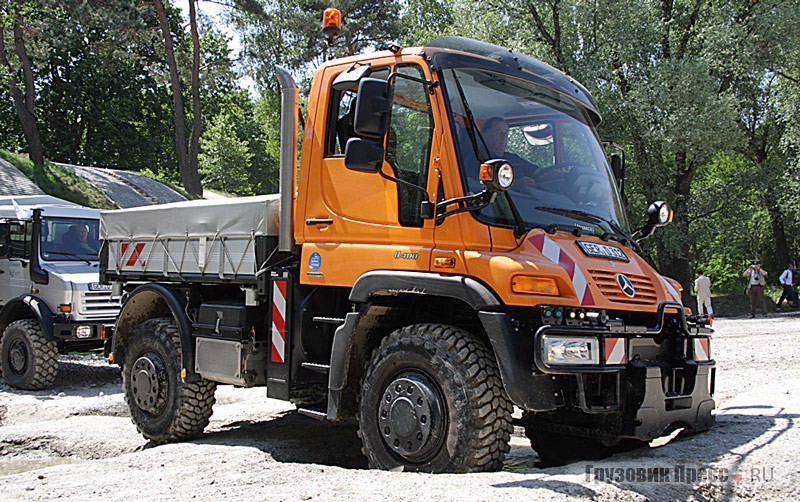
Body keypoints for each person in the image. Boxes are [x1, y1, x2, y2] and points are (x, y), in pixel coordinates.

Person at [481, 117, 540, 189]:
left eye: (506, 133)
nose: (503, 137)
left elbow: (538, 172)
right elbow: (479, 184)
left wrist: (552, 174)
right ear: (485, 135)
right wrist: (515, 185)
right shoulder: (479, 159)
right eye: (498, 132)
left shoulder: (513, 158)